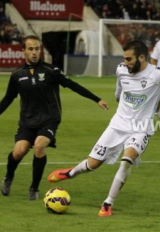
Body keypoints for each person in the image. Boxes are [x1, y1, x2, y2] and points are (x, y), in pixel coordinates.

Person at [47, 40, 160, 217]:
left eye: (129, 59)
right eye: (124, 59)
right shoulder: (122, 70)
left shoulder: (156, 74)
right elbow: (119, 91)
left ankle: (108, 203)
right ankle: (70, 172)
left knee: (127, 160)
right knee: (93, 164)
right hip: (118, 125)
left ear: (141, 57)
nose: (126, 62)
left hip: (140, 129)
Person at [0, 35, 109, 200]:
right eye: (30, 49)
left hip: (49, 120)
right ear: (23, 51)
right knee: (18, 152)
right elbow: (8, 98)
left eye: (37, 49)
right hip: (27, 122)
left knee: (39, 146)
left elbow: (72, 85)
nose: (35, 52)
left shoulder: (51, 71)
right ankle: (8, 177)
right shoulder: (17, 75)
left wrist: (97, 99)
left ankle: (34, 188)